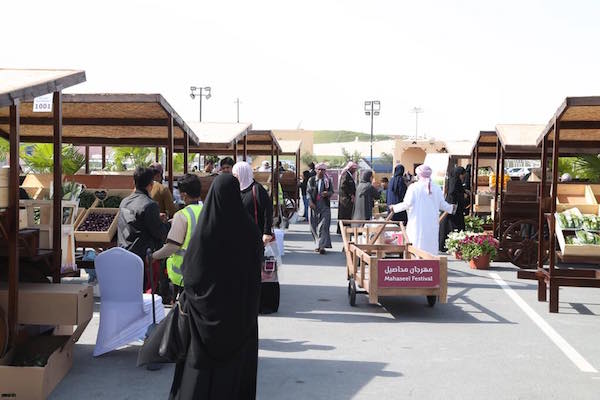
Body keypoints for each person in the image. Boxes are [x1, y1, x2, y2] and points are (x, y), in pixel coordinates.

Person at [169, 174, 262, 399]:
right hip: (240, 317)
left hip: (205, 320)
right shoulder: (249, 231)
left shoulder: (205, 233)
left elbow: (190, 274)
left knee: (199, 377)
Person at [233, 162, 278, 314]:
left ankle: (260, 304)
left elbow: (267, 212)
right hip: (240, 239)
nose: (234, 177)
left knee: (258, 273)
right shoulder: (236, 190)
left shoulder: (256, 190)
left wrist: (266, 232)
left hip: (257, 239)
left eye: (236, 174)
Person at [117, 167, 169, 286]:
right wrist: (168, 224)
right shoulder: (149, 205)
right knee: (143, 293)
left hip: (124, 253)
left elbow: (134, 222)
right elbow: (159, 232)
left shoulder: (124, 202)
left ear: (134, 182)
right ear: (151, 184)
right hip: (142, 258)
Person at [152, 174, 203, 295]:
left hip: (184, 276)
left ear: (184, 195)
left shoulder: (182, 215)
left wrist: (153, 256)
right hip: (205, 273)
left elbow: (172, 247)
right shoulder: (208, 210)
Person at [389, 165, 456, 255]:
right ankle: (430, 265)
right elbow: (442, 204)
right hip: (431, 224)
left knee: (416, 245)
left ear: (418, 175)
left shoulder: (414, 187)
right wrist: (452, 208)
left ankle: (417, 265)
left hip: (416, 223)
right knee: (430, 247)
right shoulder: (436, 188)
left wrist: (394, 207)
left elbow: (407, 204)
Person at [306, 163, 334, 254]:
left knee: (324, 226)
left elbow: (332, 191)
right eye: (319, 169)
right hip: (314, 205)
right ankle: (318, 244)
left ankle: (322, 246)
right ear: (316, 170)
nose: (321, 171)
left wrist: (327, 193)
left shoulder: (328, 180)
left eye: (323, 170)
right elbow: (308, 192)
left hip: (324, 205)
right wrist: (310, 202)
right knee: (313, 226)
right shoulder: (312, 180)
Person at [439, 166, 468, 251]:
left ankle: (449, 244)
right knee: (452, 226)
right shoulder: (455, 181)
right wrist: (462, 196)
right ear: (459, 174)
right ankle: (452, 244)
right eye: (463, 175)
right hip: (453, 207)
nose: (463, 177)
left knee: (448, 225)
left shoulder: (453, 180)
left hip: (452, 207)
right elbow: (453, 193)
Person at [337, 161, 358, 234]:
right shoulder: (345, 175)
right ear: (350, 168)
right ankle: (343, 230)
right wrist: (350, 194)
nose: (355, 170)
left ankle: (346, 230)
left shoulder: (349, 175)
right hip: (345, 200)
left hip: (348, 199)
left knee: (348, 215)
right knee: (345, 215)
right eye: (354, 169)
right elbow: (343, 186)